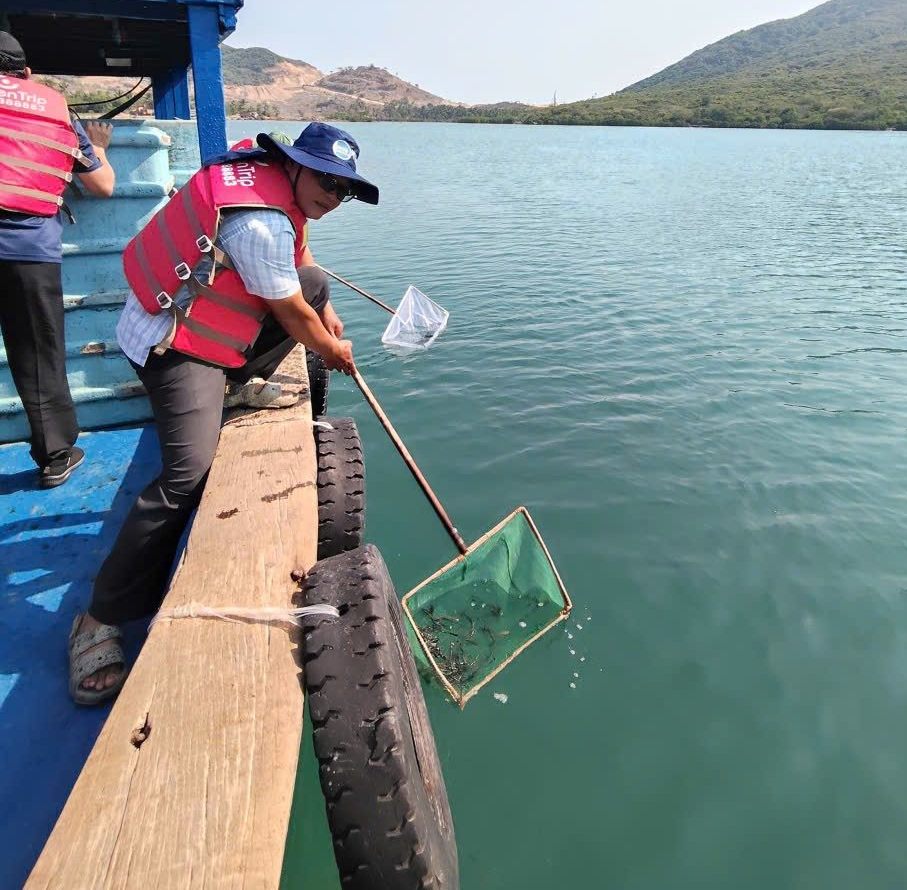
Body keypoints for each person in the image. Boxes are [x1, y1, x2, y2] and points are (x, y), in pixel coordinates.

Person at [67, 122, 378, 704]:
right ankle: (99, 615)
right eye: (326, 181)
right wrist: (332, 350)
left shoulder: (270, 184)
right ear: (294, 164)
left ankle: (229, 386)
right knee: (186, 475)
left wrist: (328, 309)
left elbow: (302, 259)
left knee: (313, 285)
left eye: (344, 189)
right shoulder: (258, 222)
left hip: (204, 328)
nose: (333, 196)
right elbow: (292, 316)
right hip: (171, 340)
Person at [0, 31, 116, 487]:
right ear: (26, 73)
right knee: (37, 354)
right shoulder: (55, 109)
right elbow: (103, 186)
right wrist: (98, 147)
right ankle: (55, 456)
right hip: (27, 250)